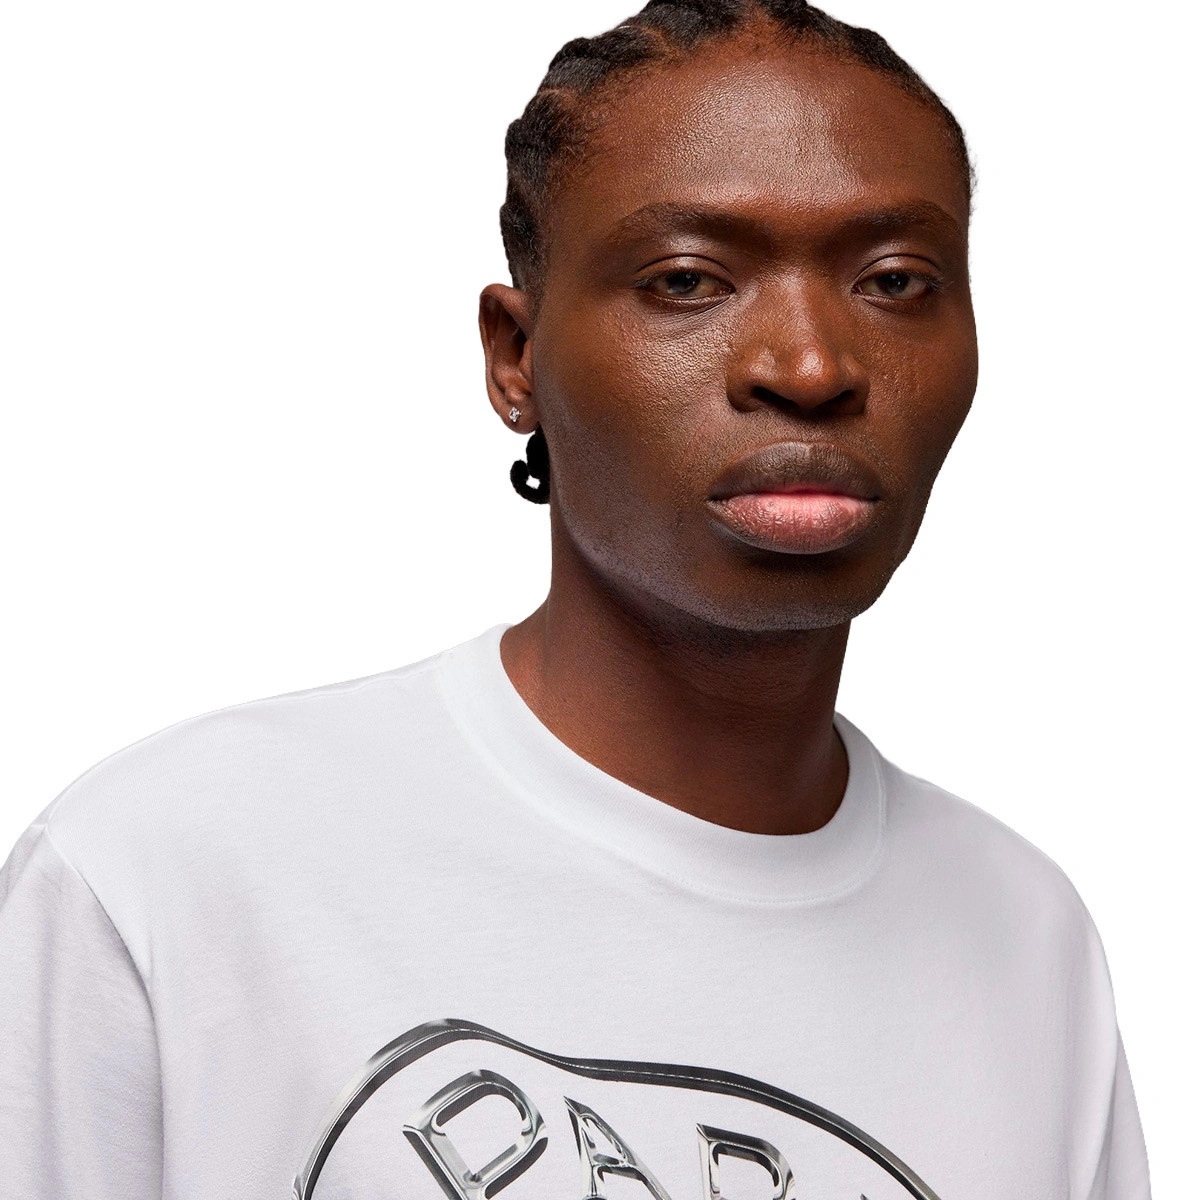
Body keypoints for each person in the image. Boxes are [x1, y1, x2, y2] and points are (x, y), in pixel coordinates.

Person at [0, 1, 1151, 1197]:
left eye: (896, 280)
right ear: (517, 357)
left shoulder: (1027, 939)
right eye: (689, 279)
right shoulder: (171, 870)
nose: (811, 366)